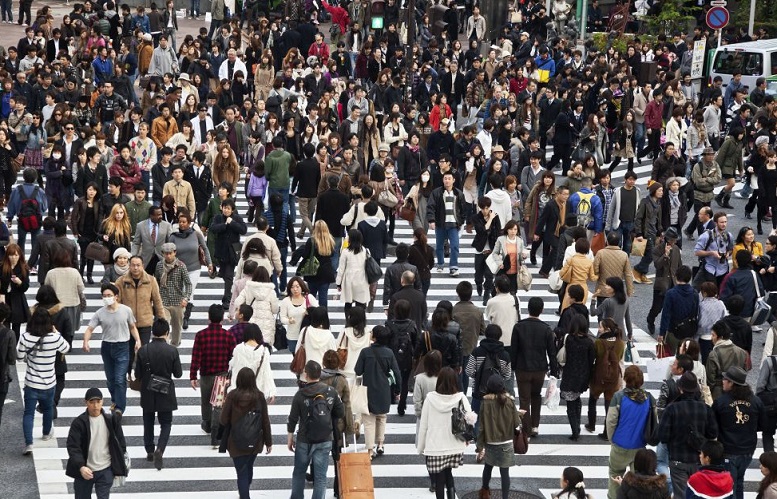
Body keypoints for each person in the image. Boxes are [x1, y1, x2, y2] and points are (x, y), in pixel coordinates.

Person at [654, 371, 719, 498]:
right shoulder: (705, 409)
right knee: (698, 493)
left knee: (681, 495)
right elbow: (713, 433)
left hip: (678, 459)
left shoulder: (672, 409)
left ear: (680, 389)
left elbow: (663, 436)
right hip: (699, 458)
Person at [288, 360, 345, 499]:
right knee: (320, 476)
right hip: (325, 438)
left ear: (306, 375)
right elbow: (341, 412)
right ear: (320, 374)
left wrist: (290, 437)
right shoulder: (330, 392)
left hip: (304, 439)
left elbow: (293, 418)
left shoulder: (300, 394)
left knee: (299, 472)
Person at [17, 307, 70, 455]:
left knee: (28, 413)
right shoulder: (54, 337)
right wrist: (56, 332)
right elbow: (66, 348)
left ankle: (28, 443)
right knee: (47, 409)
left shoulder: (26, 337)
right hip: (49, 382)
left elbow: (19, 356)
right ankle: (46, 433)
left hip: (31, 382)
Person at [82, 283, 140, 415]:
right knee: (110, 380)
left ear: (116, 297)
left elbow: (132, 327)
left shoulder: (126, 310)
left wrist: (138, 340)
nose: (106, 298)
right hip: (107, 347)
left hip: (123, 347)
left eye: (109, 295)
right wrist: (86, 341)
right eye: (104, 296)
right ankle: (115, 400)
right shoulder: (100, 313)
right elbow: (90, 328)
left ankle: (119, 407)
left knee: (120, 379)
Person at [417, 366, 473, 499]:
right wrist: (467, 439)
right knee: (449, 474)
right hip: (453, 445)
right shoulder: (460, 398)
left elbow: (423, 425)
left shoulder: (430, 399)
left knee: (439, 480)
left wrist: (421, 447)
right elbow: (470, 419)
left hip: (436, 445)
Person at [135, 318, 182, 470]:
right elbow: (178, 373)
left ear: (152, 333)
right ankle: (160, 449)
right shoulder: (172, 351)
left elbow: (138, 374)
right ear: (167, 333)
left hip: (148, 391)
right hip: (165, 390)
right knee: (166, 423)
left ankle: (149, 450)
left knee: (148, 422)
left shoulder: (143, 350)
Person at [220, 366, 273, 499]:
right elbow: (265, 421)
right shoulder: (259, 396)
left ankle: (244, 495)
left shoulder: (232, 396)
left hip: (236, 441)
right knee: (248, 467)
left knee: (241, 472)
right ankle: (245, 491)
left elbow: (223, 419)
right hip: (254, 441)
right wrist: (268, 442)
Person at [65, 388, 128, 499]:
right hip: (85, 471)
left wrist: (116, 466)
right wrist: (81, 467)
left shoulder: (111, 420)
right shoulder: (79, 423)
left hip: (105, 470)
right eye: (92, 402)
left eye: (98, 402)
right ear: (85, 402)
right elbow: (73, 447)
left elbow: (121, 443)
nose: (95, 406)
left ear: (102, 402)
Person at [712, 366, 765, 499]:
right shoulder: (756, 401)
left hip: (728, 449)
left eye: (725, 379)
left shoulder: (721, 402)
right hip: (748, 449)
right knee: (739, 481)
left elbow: (713, 427)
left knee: (730, 485)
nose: (722, 381)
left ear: (732, 383)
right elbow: (763, 425)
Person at [604, 365, 656, 499]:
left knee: (615, 473)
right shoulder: (649, 398)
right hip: (639, 446)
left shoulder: (619, 397)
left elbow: (611, 421)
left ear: (625, 379)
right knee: (638, 480)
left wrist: (612, 439)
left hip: (620, 444)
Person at [511, 297, 556, 436]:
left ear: (528, 309)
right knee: (536, 395)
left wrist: (513, 366)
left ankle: (526, 429)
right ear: (541, 310)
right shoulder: (546, 329)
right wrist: (553, 370)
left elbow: (514, 349)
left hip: (522, 368)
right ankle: (535, 425)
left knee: (524, 398)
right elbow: (552, 352)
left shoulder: (519, 327)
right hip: (539, 369)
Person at [354, 324, 401, 459]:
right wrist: (397, 390)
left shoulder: (365, 352)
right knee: (382, 417)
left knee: (369, 421)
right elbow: (397, 373)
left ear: (374, 337)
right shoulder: (389, 353)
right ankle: (380, 443)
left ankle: (370, 450)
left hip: (368, 391)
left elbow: (358, 371)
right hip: (384, 390)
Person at [116, 255, 166, 381]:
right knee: (127, 351)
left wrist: (162, 320)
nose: (135, 268)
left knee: (143, 351)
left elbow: (157, 301)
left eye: (138, 265)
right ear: (129, 265)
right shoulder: (121, 281)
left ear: (143, 266)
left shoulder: (151, 280)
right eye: (133, 265)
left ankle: (140, 374)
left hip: (145, 322)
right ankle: (126, 372)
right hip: (127, 323)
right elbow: (117, 302)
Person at [190, 304, 235, 436]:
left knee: (206, 401)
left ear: (208, 317)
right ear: (222, 319)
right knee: (218, 403)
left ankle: (208, 423)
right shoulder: (228, 336)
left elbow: (196, 356)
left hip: (206, 374)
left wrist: (193, 375)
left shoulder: (200, 335)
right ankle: (217, 428)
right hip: (222, 374)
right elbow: (232, 357)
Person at [475, 374, 523, 499]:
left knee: (488, 468)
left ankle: (484, 491)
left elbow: (481, 426)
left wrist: (479, 446)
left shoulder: (485, 402)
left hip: (490, 442)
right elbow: (516, 423)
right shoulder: (510, 401)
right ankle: (505, 497)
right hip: (506, 442)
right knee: (504, 472)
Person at [465, 324, 512, 434]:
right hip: (497, 394)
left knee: (477, 420)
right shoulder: (505, 355)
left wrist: (478, 376)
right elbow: (507, 375)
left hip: (478, 391)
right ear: (499, 336)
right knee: (495, 421)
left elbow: (469, 371)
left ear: (485, 335)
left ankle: (480, 447)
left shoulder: (477, 352)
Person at [587, 318, 626, 439]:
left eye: (600, 327)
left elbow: (594, 359)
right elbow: (619, 358)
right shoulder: (621, 344)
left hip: (599, 377)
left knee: (593, 399)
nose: (598, 329)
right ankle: (606, 432)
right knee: (608, 405)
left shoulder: (598, 343)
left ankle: (591, 424)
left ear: (607, 329)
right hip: (613, 378)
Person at [560, 314, 596, 441]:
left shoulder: (569, 339)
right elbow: (592, 360)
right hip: (583, 377)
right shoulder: (589, 343)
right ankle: (578, 424)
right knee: (576, 398)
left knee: (570, 404)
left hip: (569, 375)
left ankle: (575, 429)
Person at [209, 198, 248, 309]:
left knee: (229, 275)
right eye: (225, 208)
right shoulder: (218, 217)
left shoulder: (237, 218)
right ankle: (228, 293)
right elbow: (213, 228)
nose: (226, 210)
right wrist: (225, 225)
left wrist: (232, 223)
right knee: (224, 274)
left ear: (232, 210)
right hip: (221, 251)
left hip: (232, 251)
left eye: (228, 208)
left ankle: (227, 299)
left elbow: (243, 230)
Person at [427, 170, 466, 276]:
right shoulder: (437, 192)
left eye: (449, 179)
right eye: (445, 178)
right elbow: (431, 207)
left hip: (453, 224)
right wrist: (431, 220)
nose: (447, 181)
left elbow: (463, 209)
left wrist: (462, 221)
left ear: (454, 180)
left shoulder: (458, 193)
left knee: (454, 246)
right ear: (442, 180)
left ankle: (453, 266)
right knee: (439, 245)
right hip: (441, 223)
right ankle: (440, 263)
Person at [290, 220, 337, 308]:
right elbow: (332, 254)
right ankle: (323, 318)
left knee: (311, 297)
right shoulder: (330, 240)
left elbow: (305, 255)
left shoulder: (311, 241)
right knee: (323, 298)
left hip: (312, 272)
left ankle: (311, 317)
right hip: (326, 272)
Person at [155, 242, 192, 347]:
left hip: (178, 301)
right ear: (162, 253)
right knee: (164, 324)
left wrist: (186, 298)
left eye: (170, 253)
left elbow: (188, 283)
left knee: (177, 327)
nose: (168, 255)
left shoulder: (181, 266)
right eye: (166, 253)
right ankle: (164, 346)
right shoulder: (159, 266)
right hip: (163, 300)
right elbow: (156, 281)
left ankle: (175, 345)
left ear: (175, 253)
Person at [228, 323, 276, 402]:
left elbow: (233, 368)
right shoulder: (264, 351)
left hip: (239, 391)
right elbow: (267, 372)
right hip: (257, 391)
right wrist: (271, 392)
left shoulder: (238, 349)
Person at [659, 265, 699, 354]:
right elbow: (695, 313)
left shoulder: (671, 294)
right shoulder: (694, 293)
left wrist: (662, 333)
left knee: (670, 358)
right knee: (686, 358)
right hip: (688, 331)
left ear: (676, 276)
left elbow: (666, 314)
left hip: (673, 330)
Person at [234, 267, 278, 347]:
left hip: (251, 324)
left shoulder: (248, 288)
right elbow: (275, 310)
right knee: (264, 353)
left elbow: (237, 302)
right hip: (266, 326)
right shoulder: (271, 291)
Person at [706, 320, 749, 401]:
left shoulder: (714, 354)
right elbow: (744, 372)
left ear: (721, 337)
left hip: (718, 392)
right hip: (737, 391)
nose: (711, 338)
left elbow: (710, 379)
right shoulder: (742, 352)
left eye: (713, 335)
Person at [70, 182, 104, 282]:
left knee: (92, 254)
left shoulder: (98, 202)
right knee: (84, 255)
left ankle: (89, 275)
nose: (91, 192)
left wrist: (99, 231)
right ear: (86, 190)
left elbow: (100, 217)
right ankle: (80, 274)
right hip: (82, 232)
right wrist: (75, 232)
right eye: (90, 189)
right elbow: (73, 218)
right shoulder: (80, 201)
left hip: (94, 233)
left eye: (94, 190)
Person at [632, 181, 664, 284]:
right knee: (650, 254)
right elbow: (638, 218)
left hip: (654, 232)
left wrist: (660, 232)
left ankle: (642, 274)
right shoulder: (645, 202)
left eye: (662, 190)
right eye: (660, 190)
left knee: (648, 254)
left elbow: (658, 219)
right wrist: (639, 233)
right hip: (646, 232)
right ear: (654, 191)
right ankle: (637, 269)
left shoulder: (658, 203)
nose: (661, 192)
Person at [279, 277, 319, 354]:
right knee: (297, 359)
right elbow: (282, 318)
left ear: (302, 286)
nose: (295, 289)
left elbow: (319, 312)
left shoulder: (309, 298)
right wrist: (289, 321)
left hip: (308, 335)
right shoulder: (286, 301)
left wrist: (309, 311)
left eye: (297, 286)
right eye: (292, 287)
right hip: (293, 336)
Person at [336, 229, 371, 316]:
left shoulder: (345, 252)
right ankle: (360, 322)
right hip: (362, 279)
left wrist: (338, 283)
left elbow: (341, 269)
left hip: (349, 280)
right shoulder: (365, 251)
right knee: (361, 304)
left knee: (348, 303)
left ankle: (349, 322)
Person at [297, 307, 337, 380]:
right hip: (323, 375)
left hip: (306, 373)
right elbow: (333, 355)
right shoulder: (329, 335)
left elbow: (297, 350)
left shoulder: (305, 331)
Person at [1, 242, 31, 337]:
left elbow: (25, 287)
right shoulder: (2, 267)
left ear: (19, 256)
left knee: (16, 328)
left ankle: (13, 348)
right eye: (11, 255)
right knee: (5, 326)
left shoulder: (24, 268)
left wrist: (19, 282)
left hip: (18, 300)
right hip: (5, 299)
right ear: (7, 256)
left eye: (16, 255)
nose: (14, 258)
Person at [132, 206, 174, 275]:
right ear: (151, 216)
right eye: (158, 215)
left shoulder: (167, 225)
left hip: (161, 258)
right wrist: (133, 256)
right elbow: (136, 243)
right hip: (146, 259)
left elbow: (170, 242)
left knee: (161, 282)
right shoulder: (140, 225)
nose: (160, 216)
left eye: (161, 214)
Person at [560, 238, 598, 311]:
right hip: (583, 287)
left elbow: (562, 273)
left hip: (571, 286)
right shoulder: (589, 262)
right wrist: (599, 275)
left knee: (566, 310)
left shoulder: (571, 260)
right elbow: (592, 278)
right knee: (579, 310)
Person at [337, 305, 372, 382]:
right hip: (362, 371)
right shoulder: (369, 333)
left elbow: (337, 347)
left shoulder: (345, 332)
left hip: (344, 370)